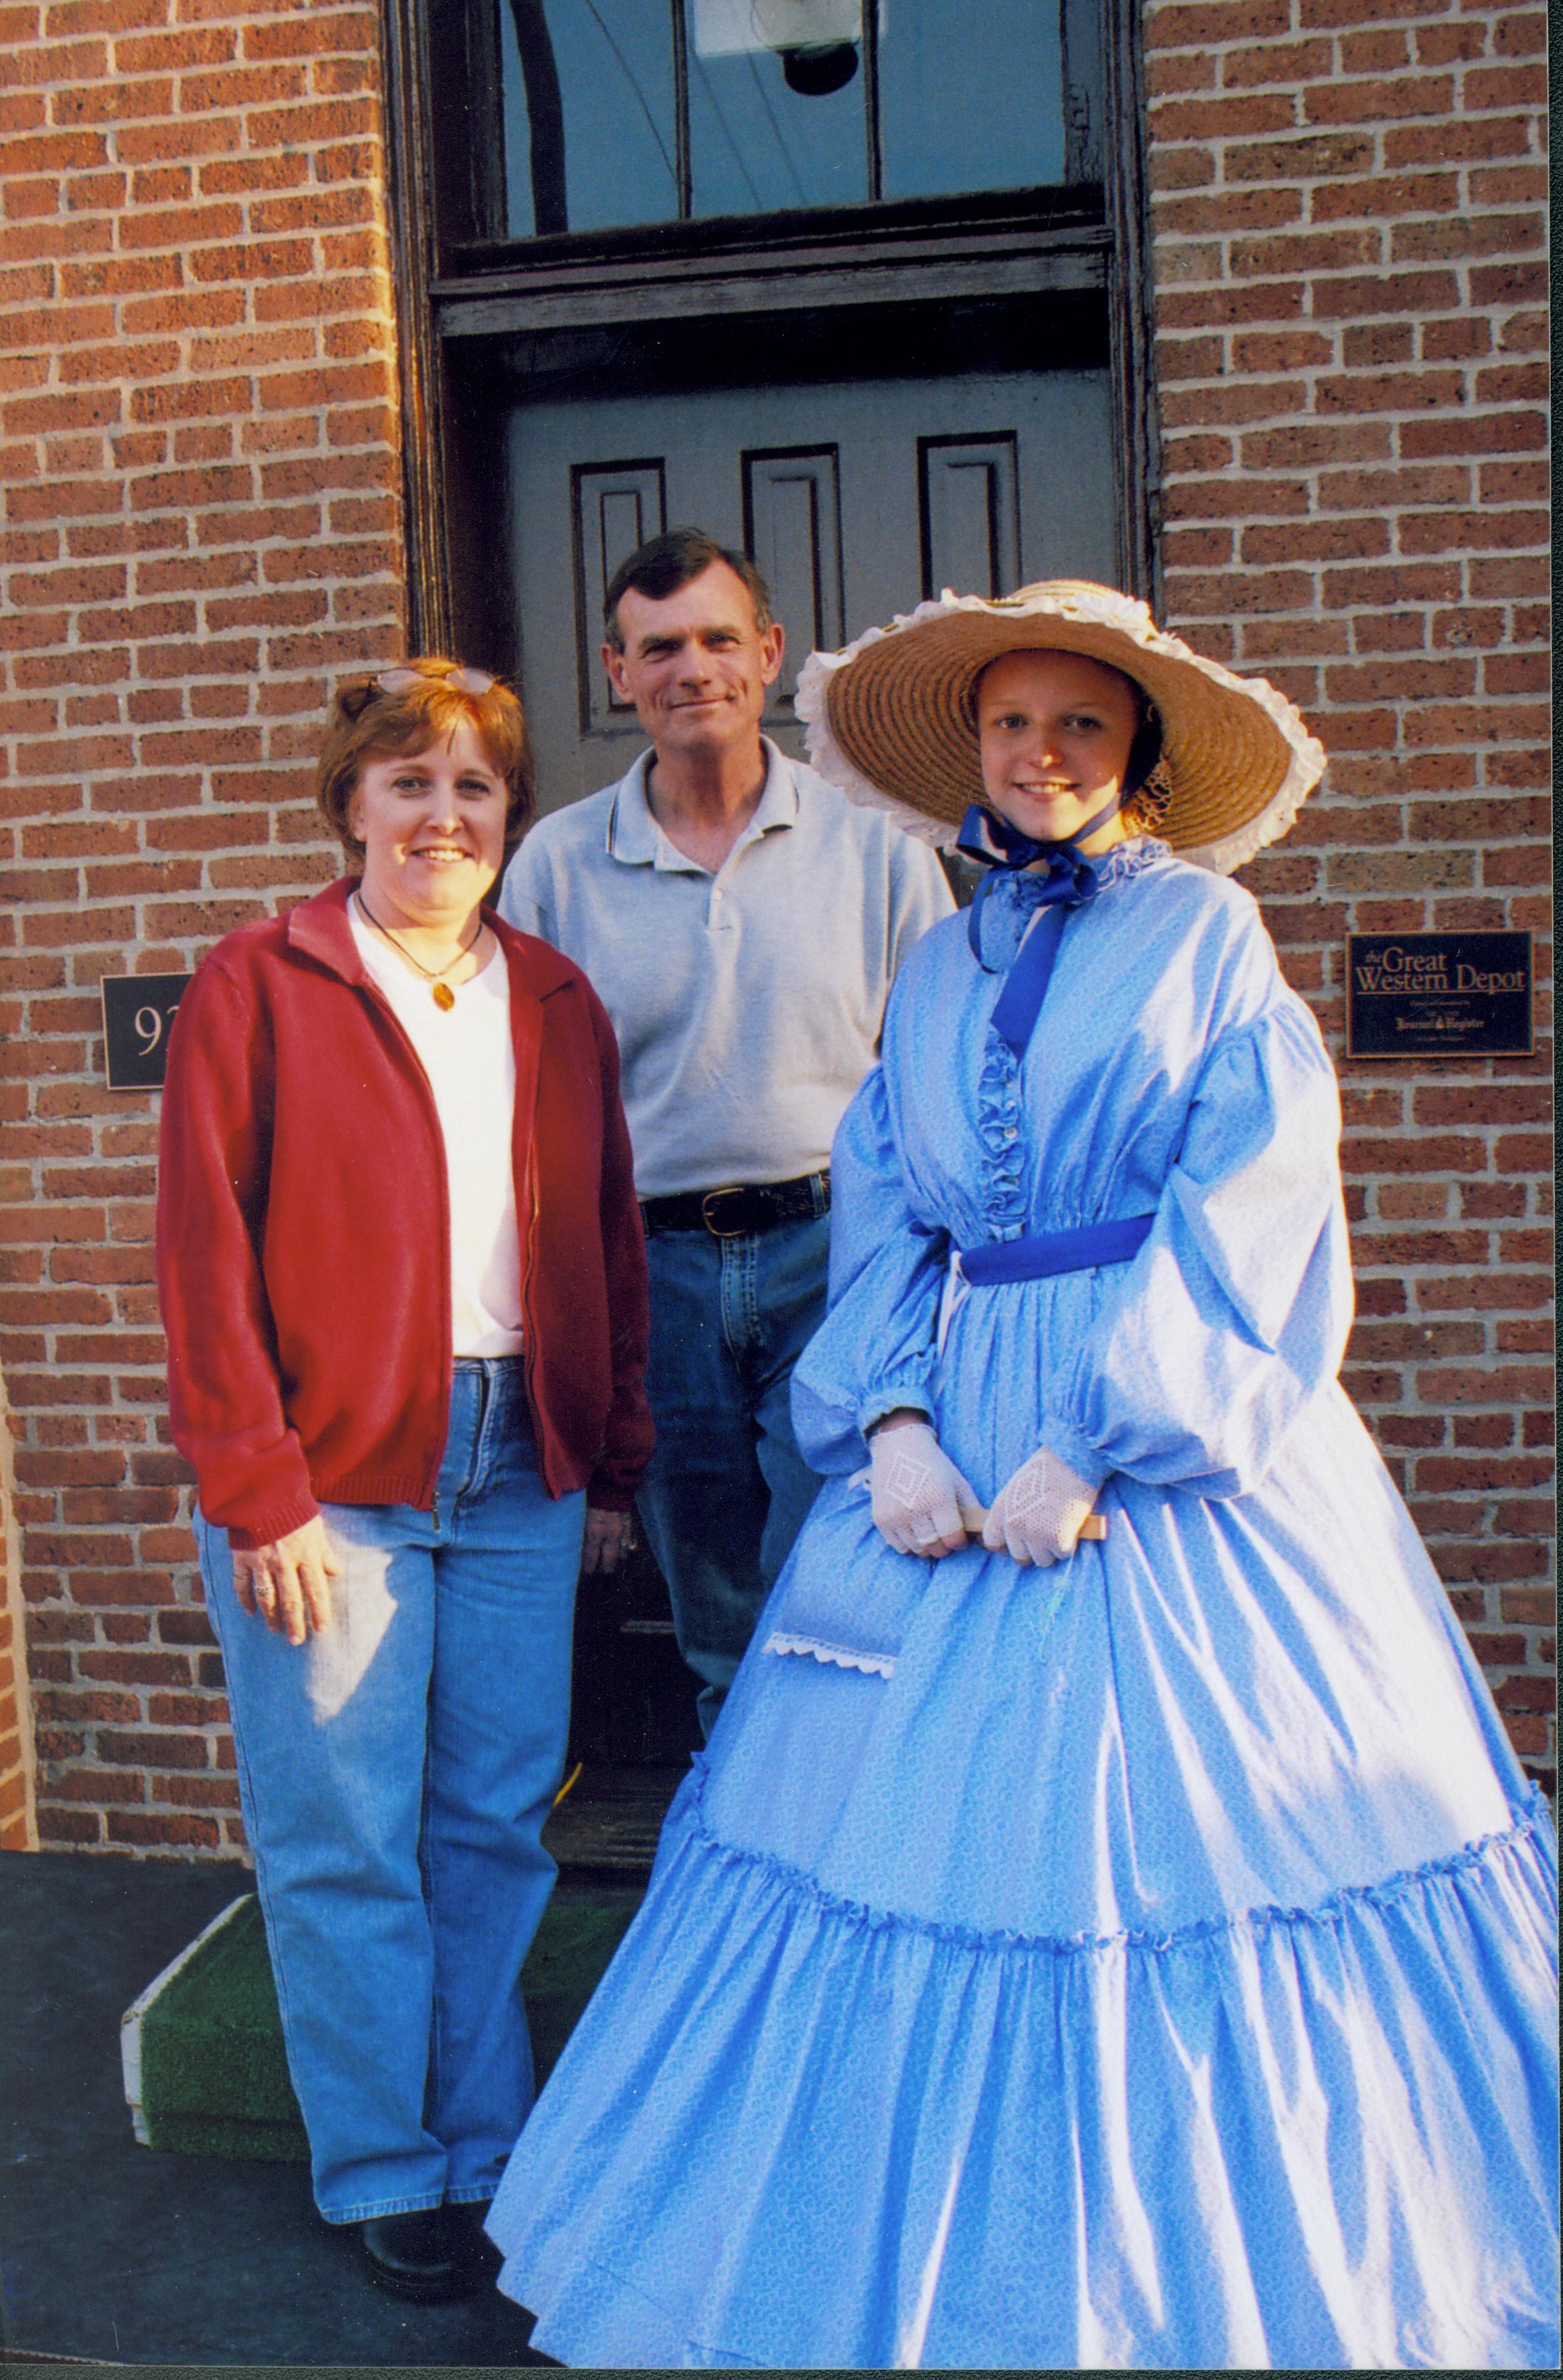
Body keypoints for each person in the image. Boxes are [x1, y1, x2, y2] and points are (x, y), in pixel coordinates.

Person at [484, 581, 1559, 2368]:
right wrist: (892, 1416)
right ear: (973, 748)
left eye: (1078, 725)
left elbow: (1257, 1204)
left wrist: (1098, 1439)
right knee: (889, 1835)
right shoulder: (943, 952)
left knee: (1151, 1848)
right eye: (1010, 724)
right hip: (950, 1428)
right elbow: (889, 1188)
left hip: (1164, 1439)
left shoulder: (1208, 934)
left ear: (1129, 749)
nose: (1040, 754)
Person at [155, 659, 652, 2304]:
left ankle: (488, 2145)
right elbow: (204, 1257)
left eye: (475, 790)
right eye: (409, 785)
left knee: (493, 1824)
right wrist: (257, 1488)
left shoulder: (556, 1001)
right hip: (334, 1473)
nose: (444, 816)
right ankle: (383, 2160)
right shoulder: (261, 978)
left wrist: (606, 1461)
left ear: (510, 818)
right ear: (350, 807)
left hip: (520, 1459)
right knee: (345, 1830)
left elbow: (604, 1242)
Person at [500, 528, 952, 1733]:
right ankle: (733, 1861)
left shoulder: (880, 844)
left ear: (767, 651)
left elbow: (934, 1078)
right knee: (712, 1606)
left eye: (715, 639)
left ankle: (838, 1852)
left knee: (843, 1577)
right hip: (656, 1275)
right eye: (659, 648)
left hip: (833, 1257)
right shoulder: (555, 865)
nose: (691, 668)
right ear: (617, 670)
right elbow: (524, 1100)